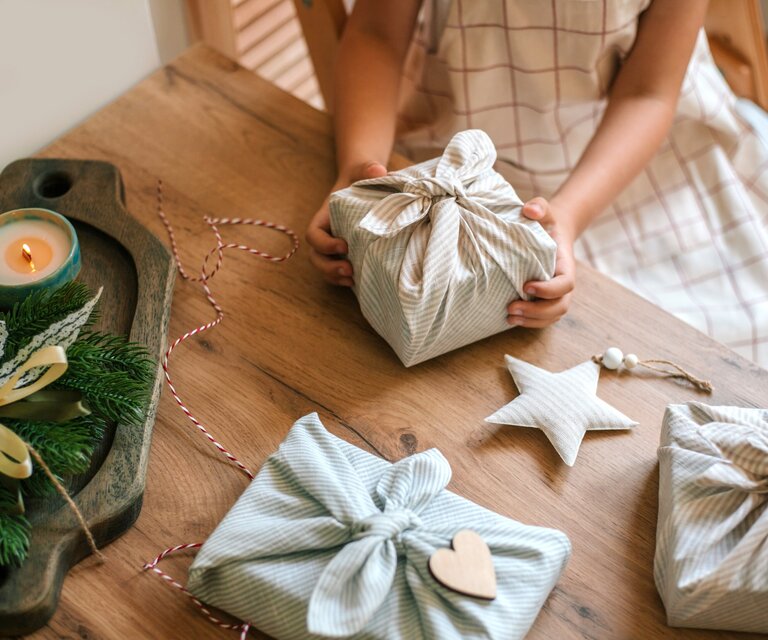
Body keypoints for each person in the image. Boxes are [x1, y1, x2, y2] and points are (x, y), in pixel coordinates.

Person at [306, 0, 768, 367]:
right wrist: (356, 171)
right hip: (444, 142)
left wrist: (566, 216)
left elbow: (649, 92)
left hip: (624, 165)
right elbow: (376, 35)